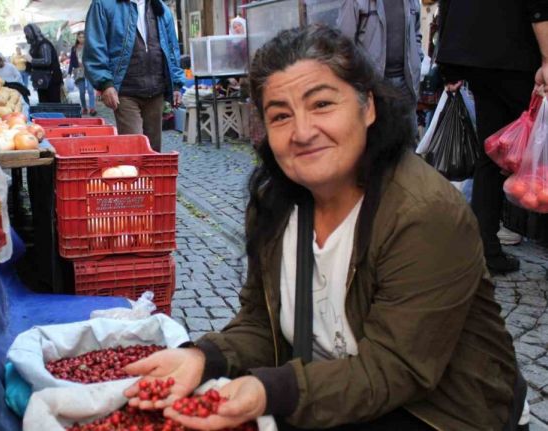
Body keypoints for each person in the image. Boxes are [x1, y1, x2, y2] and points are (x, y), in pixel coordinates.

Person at [122, 25, 528, 431]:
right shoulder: (275, 204)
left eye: (321, 105)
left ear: (367, 107)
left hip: (438, 410)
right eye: (280, 115)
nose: (302, 132)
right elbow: (261, 321)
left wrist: (269, 391)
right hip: (333, 392)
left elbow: (396, 367)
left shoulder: (422, 213)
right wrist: (203, 358)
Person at [436, 0, 548, 274]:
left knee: (492, 153)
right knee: (540, 153)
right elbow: (539, 7)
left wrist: (449, 65)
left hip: (477, 58)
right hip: (519, 55)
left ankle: (486, 248)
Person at [84, 0, 186, 152]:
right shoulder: (103, 5)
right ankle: (131, 175)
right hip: (125, 93)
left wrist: (176, 84)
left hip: (156, 91)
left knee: (153, 152)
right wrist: (105, 84)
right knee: (134, 150)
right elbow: (95, 46)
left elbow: (172, 48)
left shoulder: (160, 8)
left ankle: (151, 177)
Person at [337, 0, 423, 130]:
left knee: (408, 140)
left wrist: (417, 58)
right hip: (373, 87)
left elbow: (416, 33)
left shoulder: (412, 2)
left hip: (406, 85)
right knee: (377, 141)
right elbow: (344, 44)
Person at [24, 24, 63, 103]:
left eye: (27, 33)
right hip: (42, 80)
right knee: (44, 104)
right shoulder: (35, 46)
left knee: (53, 104)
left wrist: (31, 60)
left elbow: (47, 61)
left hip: (51, 80)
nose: (26, 36)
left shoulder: (44, 44)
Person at [68, 31, 96, 116]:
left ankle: (92, 108)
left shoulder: (89, 47)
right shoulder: (74, 48)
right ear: (77, 38)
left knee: (91, 90)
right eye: (79, 37)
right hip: (78, 72)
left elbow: (94, 58)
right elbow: (72, 61)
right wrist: (69, 72)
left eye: (83, 37)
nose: (81, 38)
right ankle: (84, 107)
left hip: (89, 70)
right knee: (82, 91)